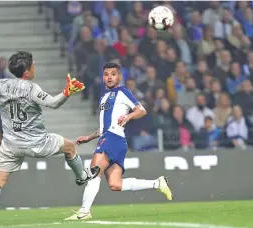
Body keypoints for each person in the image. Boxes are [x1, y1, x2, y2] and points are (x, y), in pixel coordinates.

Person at [0, 53, 99, 227]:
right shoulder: (32, 89)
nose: (35, 66)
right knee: (69, 147)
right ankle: (82, 176)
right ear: (27, 72)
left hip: (10, 145)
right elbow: (53, 103)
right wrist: (66, 92)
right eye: (33, 65)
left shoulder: (1, 84)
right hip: (37, 142)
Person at [65, 62, 172, 221]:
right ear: (103, 77)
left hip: (113, 138)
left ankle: (84, 211)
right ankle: (157, 183)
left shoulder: (122, 92)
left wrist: (128, 116)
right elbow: (104, 127)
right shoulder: (103, 97)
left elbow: (141, 110)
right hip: (113, 139)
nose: (109, 77)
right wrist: (89, 137)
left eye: (113, 74)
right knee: (115, 184)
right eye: (106, 74)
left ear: (119, 76)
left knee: (94, 172)